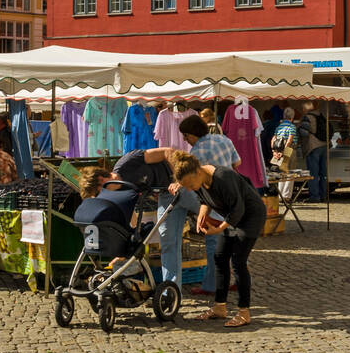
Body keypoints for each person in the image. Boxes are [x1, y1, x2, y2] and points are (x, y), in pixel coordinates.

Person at [170, 150, 266, 328]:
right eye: (187, 187)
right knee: (220, 258)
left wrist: (219, 229)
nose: (190, 189)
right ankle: (220, 307)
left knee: (238, 261)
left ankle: (244, 312)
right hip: (232, 218)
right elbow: (204, 200)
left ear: (198, 172)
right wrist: (201, 215)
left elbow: (238, 209)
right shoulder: (199, 180)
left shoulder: (224, 177)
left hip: (250, 216)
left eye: (190, 185)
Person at [112, 146, 202, 287]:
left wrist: (178, 180)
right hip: (166, 195)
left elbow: (168, 151)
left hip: (184, 185)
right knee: (167, 242)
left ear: (101, 179)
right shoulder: (116, 192)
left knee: (216, 221)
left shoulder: (127, 163)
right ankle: (171, 291)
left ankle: (226, 276)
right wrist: (126, 250)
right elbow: (132, 220)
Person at [179, 113, 242, 296]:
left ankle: (212, 285)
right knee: (234, 242)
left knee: (214, 244)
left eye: (185, 136)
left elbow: (194, 178)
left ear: (191, 135)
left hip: (214, 201)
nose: (186, 140)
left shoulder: (197, 151)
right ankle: (236, 280)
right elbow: (238, 162)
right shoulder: (224, 139)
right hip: (232, 195)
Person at [298, 112, 328, 203]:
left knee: (313, 174)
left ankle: (314, 196)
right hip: (324, 146)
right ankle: (324, 195)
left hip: (313, 147)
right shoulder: (321, 116)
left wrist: (298, 128)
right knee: (323, 173)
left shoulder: (307, 117)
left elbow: (304, 133)